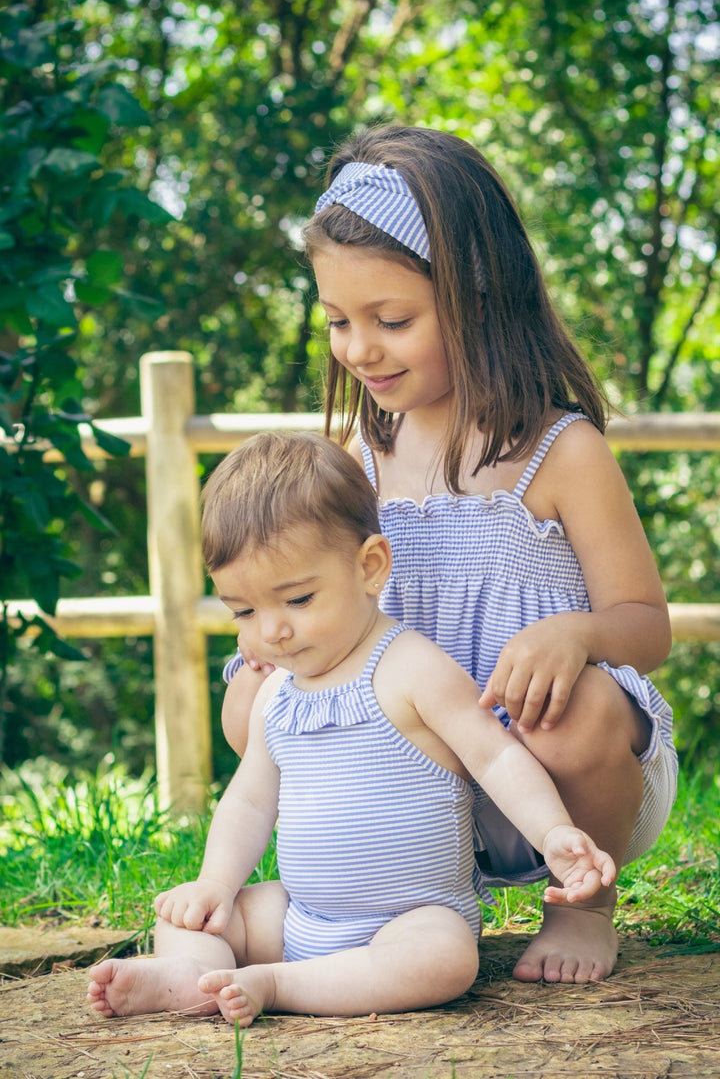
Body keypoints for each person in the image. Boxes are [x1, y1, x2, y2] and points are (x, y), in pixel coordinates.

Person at [221, 124, 678, 986]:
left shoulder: (560, 451)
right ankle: (357, 901)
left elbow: (647, 627)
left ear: (476, 296)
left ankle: (583, 909)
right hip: (424, 794)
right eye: (337, 322)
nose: (358, 349)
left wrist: (576, 634)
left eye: (390, 320)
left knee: (580, 706)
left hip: (553, 782)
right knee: (255, 704)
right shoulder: (358, 455)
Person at [87, 432, 616, 1027]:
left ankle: (277, 984)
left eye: (298, 599)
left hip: (410, 918)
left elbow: (495, 760)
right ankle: (189, 976)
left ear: (369, 567)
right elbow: (251, 800)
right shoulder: (275, 695)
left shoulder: (411, 667)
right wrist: (215, 884)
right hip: (300, 915)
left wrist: (552, 833)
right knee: (190, 916)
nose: (273, 631)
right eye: (244, 611)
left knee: (446, 960)